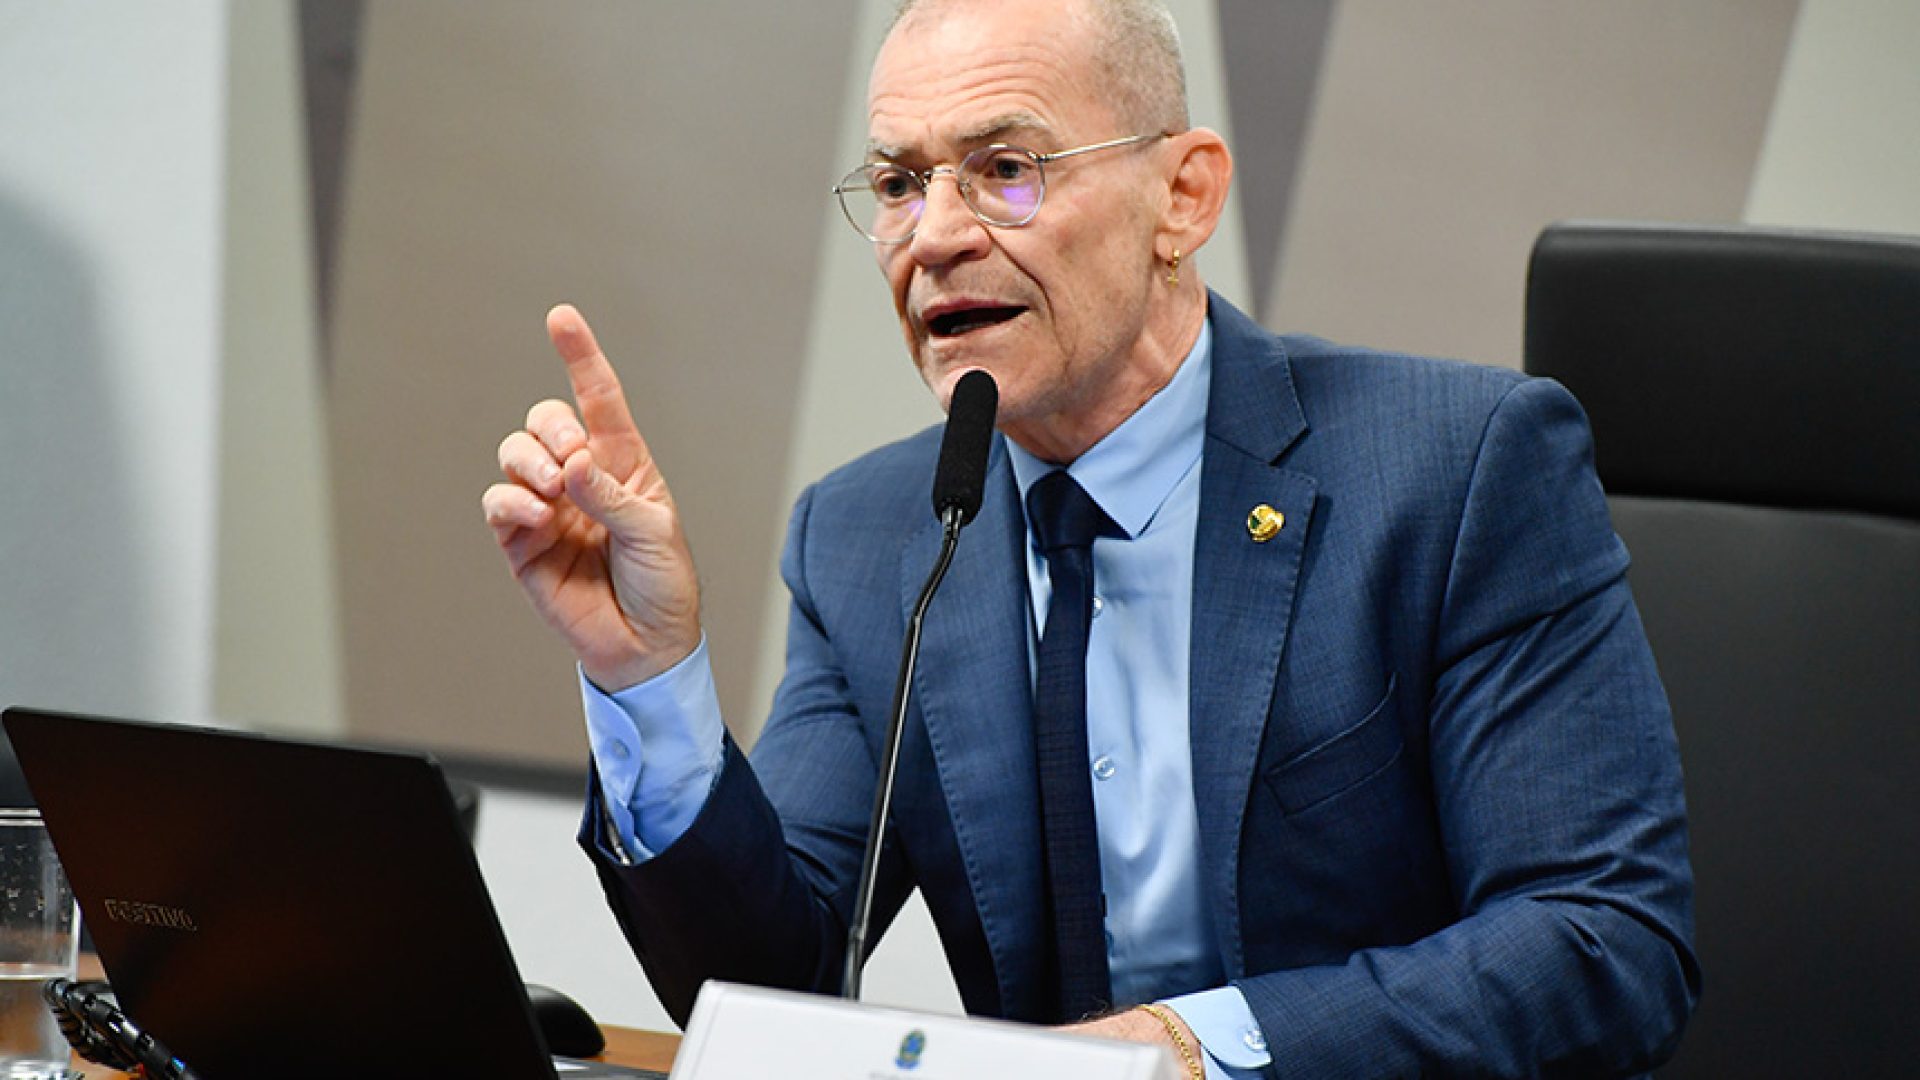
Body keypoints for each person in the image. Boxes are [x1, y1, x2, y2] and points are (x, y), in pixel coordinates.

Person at [482, 0, 1699, 1075]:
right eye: (899, 184)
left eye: (1006, 167)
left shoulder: (1456, 468)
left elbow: (1604, 938)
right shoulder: (864, 538)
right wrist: (647, 677)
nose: (935, 236)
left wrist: (1196, 1050)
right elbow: (770, 981)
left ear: (1184, 195)